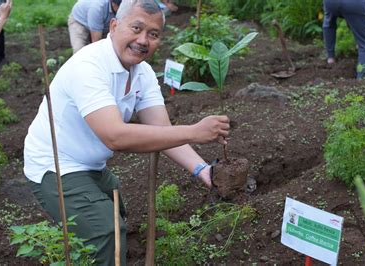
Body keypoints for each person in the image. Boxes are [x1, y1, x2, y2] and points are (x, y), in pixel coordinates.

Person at [23, 0, 229, 265]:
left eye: (153, 34)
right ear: (114, 25)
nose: (143, 40)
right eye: (136, 28)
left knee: (116, 211)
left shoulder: (142, 73)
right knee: (105, 230)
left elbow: (162, 131)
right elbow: (115, 137)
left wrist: (203, 171)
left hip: (90, 164)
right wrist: (193, 131)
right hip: (55, 165)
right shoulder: (88, 67)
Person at [322, 0, 365, 79]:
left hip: (330, 2)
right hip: (354, 3)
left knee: (329, 23)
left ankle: (330, 59)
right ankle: (362, 78)